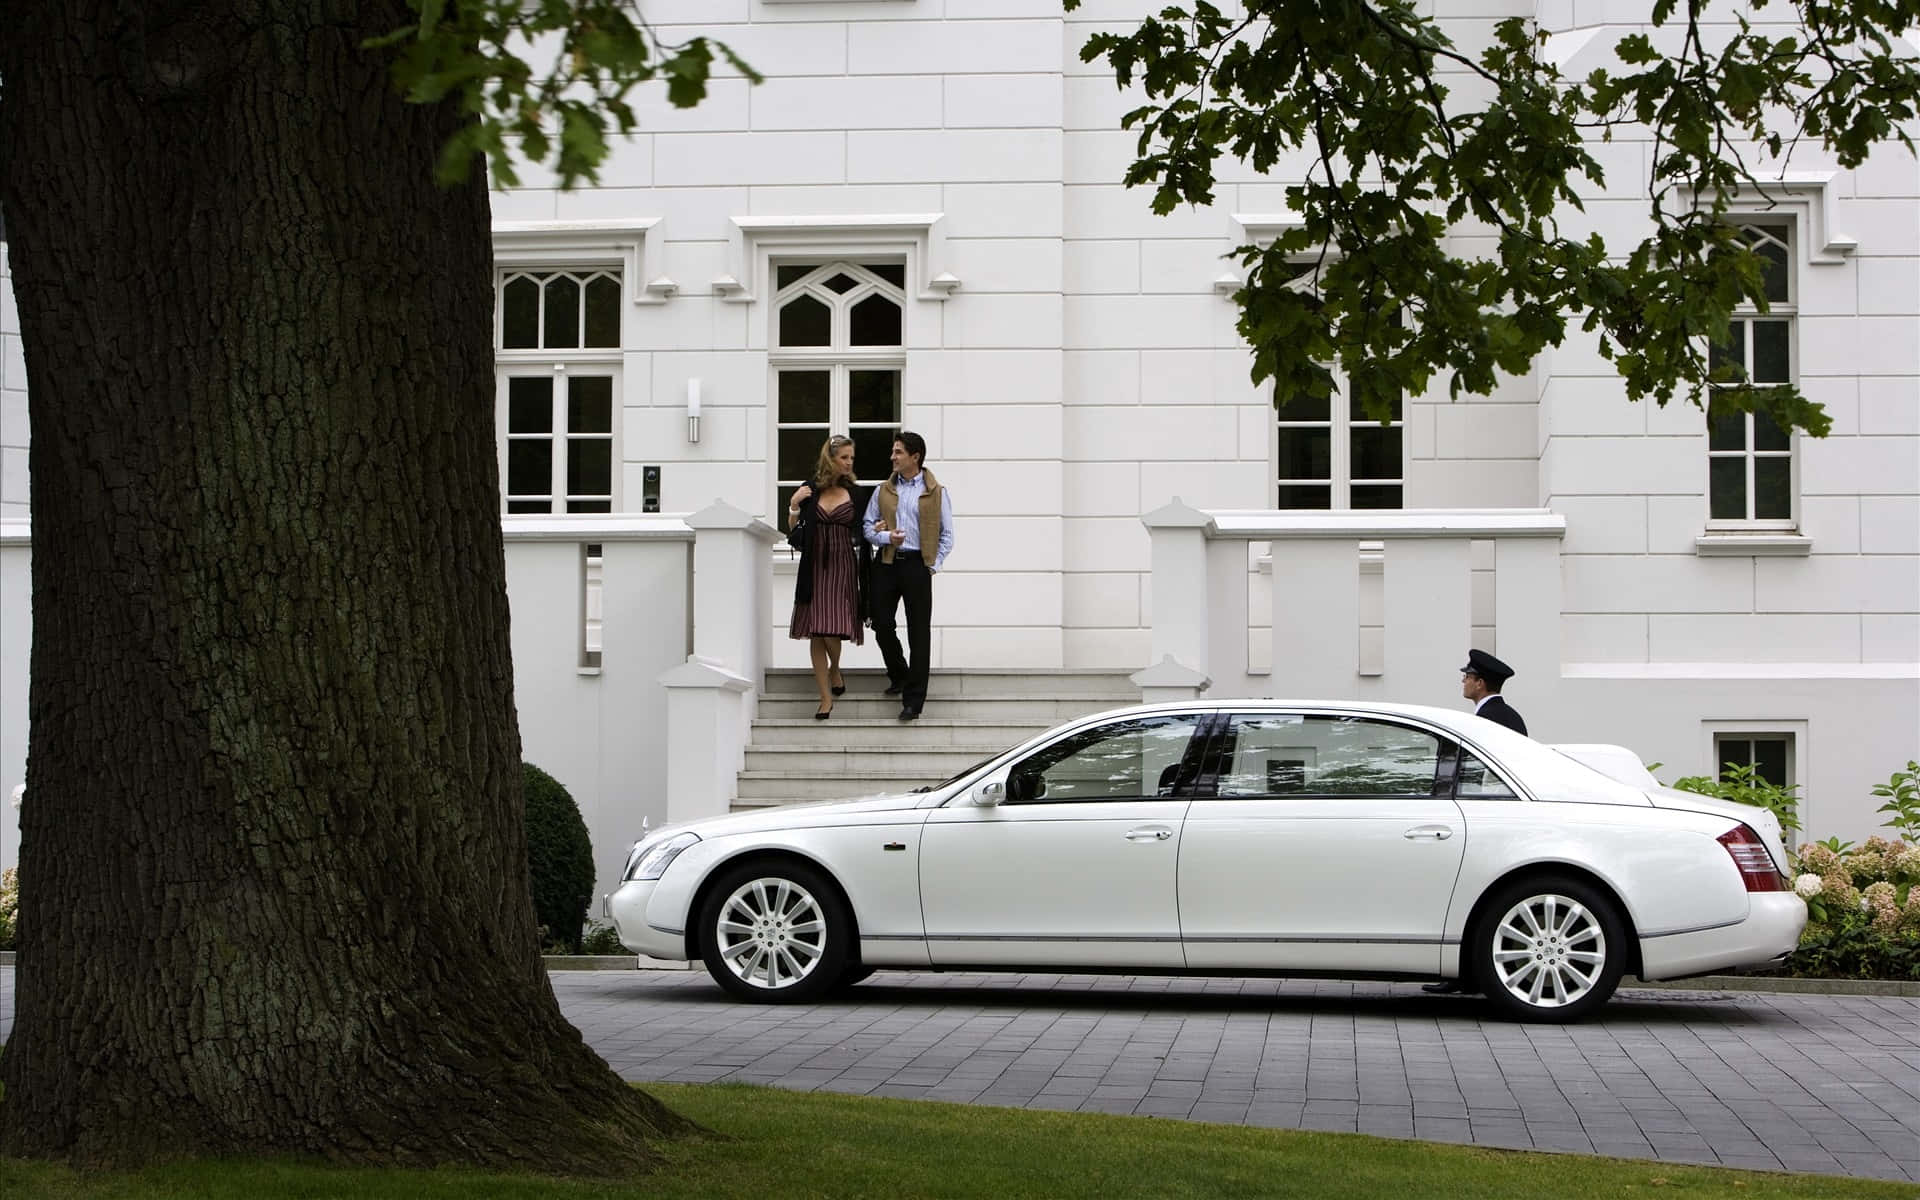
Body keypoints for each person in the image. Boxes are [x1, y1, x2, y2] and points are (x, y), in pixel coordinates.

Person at [862, 430, 953, 721]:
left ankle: (914, 700)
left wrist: (932, 564)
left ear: (915, 457)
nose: (892, 457)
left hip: (917, 566)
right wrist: (888, 536)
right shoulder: (882, 491)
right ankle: (900, 673)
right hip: (887, 564)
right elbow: (867, 529)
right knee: (881, 621)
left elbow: (947, 535)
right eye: (893, 451)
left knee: (919, 633)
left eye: (898, 452)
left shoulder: (937, 492)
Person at [786, 435, 870, 720]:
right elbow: (794, 532)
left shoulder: (857, 494)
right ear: (830, 459)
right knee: (817, 630)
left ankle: (835, 667)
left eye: (851, 458)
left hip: (844, 564)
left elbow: (866, 530)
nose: (849, 463)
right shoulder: (810, 489)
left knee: (832, 629)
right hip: (814, 565)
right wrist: (794, 505)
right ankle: (825, 698)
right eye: (844, 457)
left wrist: (878, 527)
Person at [1461, 649, 1527, 735]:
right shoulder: (1514, 716)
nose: (1463, 680)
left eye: (1467, 676)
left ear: (1479, 683)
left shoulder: (1484, 719)